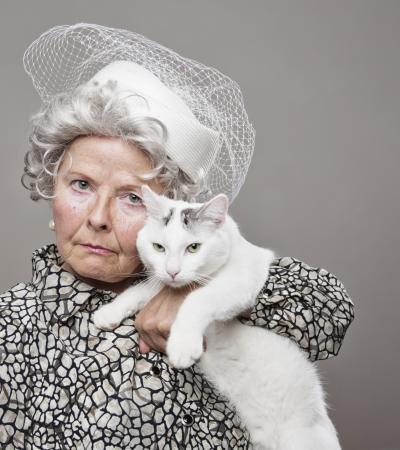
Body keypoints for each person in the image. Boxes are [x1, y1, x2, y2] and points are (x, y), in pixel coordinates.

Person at [0, 23, 354, 449]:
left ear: (164, 213)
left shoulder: (208, 280)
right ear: (50, 187)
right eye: (81, 185)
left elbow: (330, 311)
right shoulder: (11, 323)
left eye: (131, 197)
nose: (98, 218)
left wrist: (190, 296)